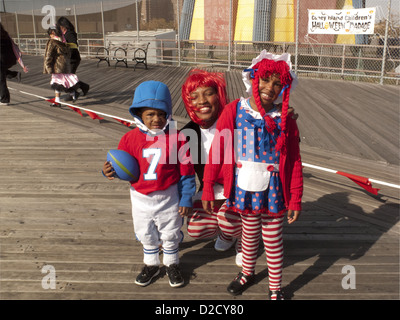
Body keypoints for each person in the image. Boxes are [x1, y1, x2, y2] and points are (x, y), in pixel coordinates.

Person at [201, 51, 303, 300]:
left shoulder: (286, 120)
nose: (270, 87)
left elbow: (295, 160)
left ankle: (275, 287)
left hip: (273, 190)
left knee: (272, 239)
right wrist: (207, 186)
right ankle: (247, 273)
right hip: (244, 186)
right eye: (266, 79)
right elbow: (218, 149)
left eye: (278, 83)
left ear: (284, 87)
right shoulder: (234, 110)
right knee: (248, 234)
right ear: (253, 78)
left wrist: (295, 198)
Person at [102, 80, 196, 288]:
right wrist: (109, 171)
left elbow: (186, 172)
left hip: (168, 196)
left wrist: (187, 196)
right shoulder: (128, 139)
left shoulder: (178, 138)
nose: (156, 119)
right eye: (150, 114)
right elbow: (122, 168)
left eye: (161, 114)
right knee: (145, 231)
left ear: (168, 113)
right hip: (140, 197)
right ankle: (151, 265)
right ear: (139, 114)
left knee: (171, 231)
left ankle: (172, 263)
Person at [181, 69, 243, 264]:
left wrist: (284, 117)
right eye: (194, 96)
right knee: (196, 228)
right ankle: (227, 233)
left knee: (228, 220)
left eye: (208, 93)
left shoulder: (236, 121)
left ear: (219, 95)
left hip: (239, 189)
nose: (202, 101)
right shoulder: (186, 133)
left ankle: (242, 239)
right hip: (210, 190)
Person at [43, 27, 80, 106]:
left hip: (56, 65)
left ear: (52, 34)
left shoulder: (52, 42)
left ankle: (59, 100)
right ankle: (70, 94)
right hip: (64, 64)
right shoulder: (63, 41)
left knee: (56, 82)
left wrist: (47, 66)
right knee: (62, 82)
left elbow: (48, 55)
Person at [56, 16, 89, 99]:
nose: (59, 28)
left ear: (63, 26)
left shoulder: (70, 33)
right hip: (68, 58)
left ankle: (75, 92)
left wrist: (64, 46)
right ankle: (81, 88)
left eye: (60, 26)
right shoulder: (63, 34)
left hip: (73, 58)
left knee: (68, 77)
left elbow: (74, 45)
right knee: (69, 77)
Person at [0, 23, 28, 105]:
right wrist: (22, 64)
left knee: (1, 79)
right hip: (9, 59)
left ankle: (5, 99)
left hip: (2, 60)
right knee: (1, 75)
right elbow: (15, 48)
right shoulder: (5, 34)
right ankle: (14, 74)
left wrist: (22, 64)